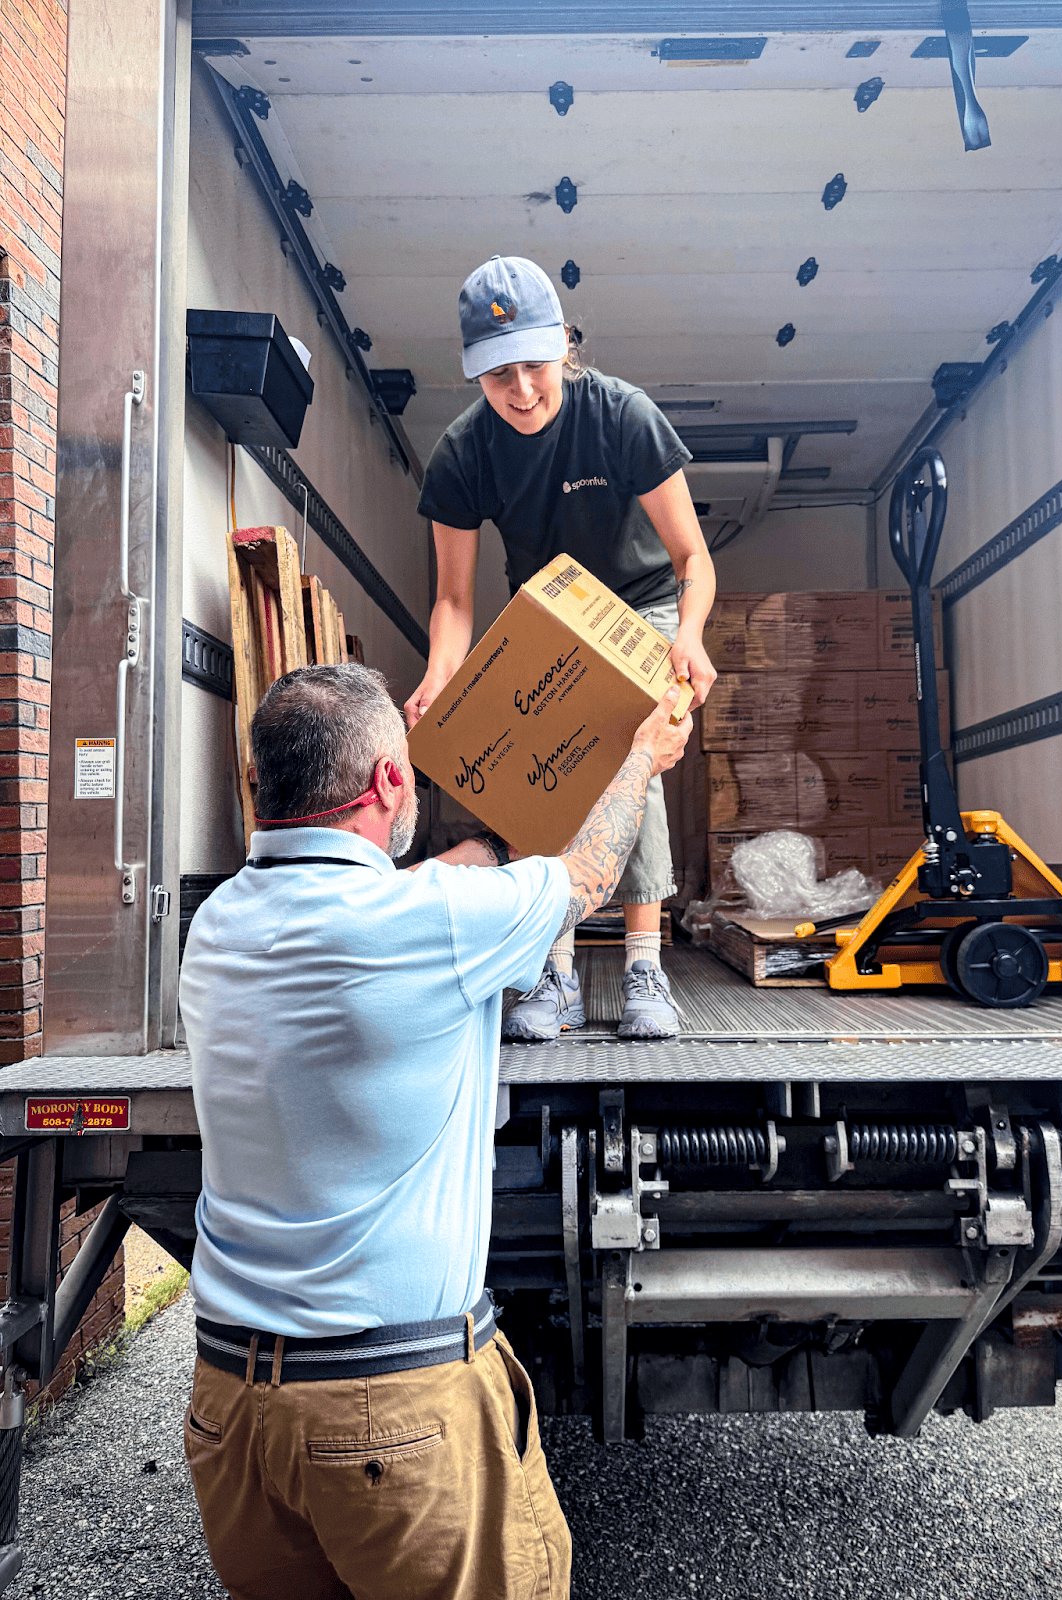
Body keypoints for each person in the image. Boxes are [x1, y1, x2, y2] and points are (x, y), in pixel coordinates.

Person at [178, 661, 691, 1600]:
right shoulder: (434, 924)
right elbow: (585, 875)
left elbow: (416, 890)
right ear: (387, 783)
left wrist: (486, 851)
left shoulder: (218, 929)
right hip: (388, 1417)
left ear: (263, 785)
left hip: (233, 1414)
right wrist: (641, 761)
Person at [406, 254, 718, 1044]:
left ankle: (645, 960)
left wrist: (689, 632)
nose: (520, 391)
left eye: (535, 367)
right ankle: (556, 969)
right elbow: (451, 599)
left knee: (628, 748)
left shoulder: (620, 416)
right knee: (538, 766)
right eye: (497, 375)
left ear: (565, 347)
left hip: (641, 605)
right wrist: (441, 676)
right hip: (547, 612)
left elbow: (693, 561)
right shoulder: (464, 451)